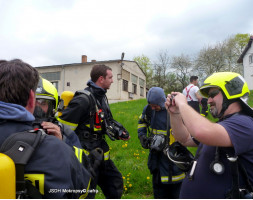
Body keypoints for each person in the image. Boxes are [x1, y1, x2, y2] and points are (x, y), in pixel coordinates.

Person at [0, 59, 92, 198]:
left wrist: (64, 142)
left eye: (43, 103)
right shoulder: (55, 147)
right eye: (36, 101)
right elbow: (83, 190)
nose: (37, 108)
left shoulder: (64, 132)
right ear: (31, 99)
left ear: (53, 106)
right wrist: (60, 149)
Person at [166, 72, 253, 198]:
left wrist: (183, 104)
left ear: (232, 94)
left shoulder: (245, 124)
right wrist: (175, 113)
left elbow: (200, 131)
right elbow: (184, 139)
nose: (209, 100)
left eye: (213, 95)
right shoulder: (224, 125)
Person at [58, 64, 130, 199]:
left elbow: (107, 120)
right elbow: (63, 129)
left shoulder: (101, 97)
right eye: (110, 77)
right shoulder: (83, 100)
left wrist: (119, 131)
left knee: (115, 183)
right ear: (101, 79)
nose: (113, 81)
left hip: (101, 152)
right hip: (86, 157)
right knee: (88, 193)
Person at [138, 87, 185, 198]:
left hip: (173, 157)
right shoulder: (148, 109)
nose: (153, 108)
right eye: (151, 105)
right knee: (158, 189)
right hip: (156, 157)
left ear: (162, 101)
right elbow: (142, 122)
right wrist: (142, 136)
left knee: (177, 191)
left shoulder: (173, 110)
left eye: (155, 105)